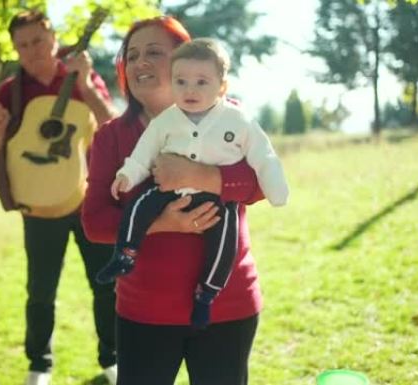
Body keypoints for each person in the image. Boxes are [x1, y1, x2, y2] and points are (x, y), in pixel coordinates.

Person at [82, 16, 269, 385]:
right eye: (131, 56)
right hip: (144, 313)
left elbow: (262, 182)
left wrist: (200, 176)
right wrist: (161, 221)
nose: (140, 63)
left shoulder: (231, 116)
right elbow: (95, 222)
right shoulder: (111, 137)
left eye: (154, 52)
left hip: (227, 305)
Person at [95, 38, 288, 329]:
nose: (190, 90)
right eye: (181, 82)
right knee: (138, 207)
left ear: (222, 87)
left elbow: (264, 157)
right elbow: (144, 152)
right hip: (169, 192)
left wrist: (276, 192)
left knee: (225, 246)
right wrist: (128, 175)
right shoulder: (166, 120)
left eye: (201, 82)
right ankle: (126, 254)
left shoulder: (239, 120)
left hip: (218, 202)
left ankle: (206, 294)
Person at [0, 9, 118, 385]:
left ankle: (112, 358)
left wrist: (87, 86)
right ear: (15, 49)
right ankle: (39, 366)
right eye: (22, 45)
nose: (32, 51)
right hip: (40, 204)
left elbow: (112, 127)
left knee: (106, 284)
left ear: (54, 40)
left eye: (38, 41)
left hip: (90, 199)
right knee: (40, 290)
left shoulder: (80, 78)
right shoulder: (9, 92)